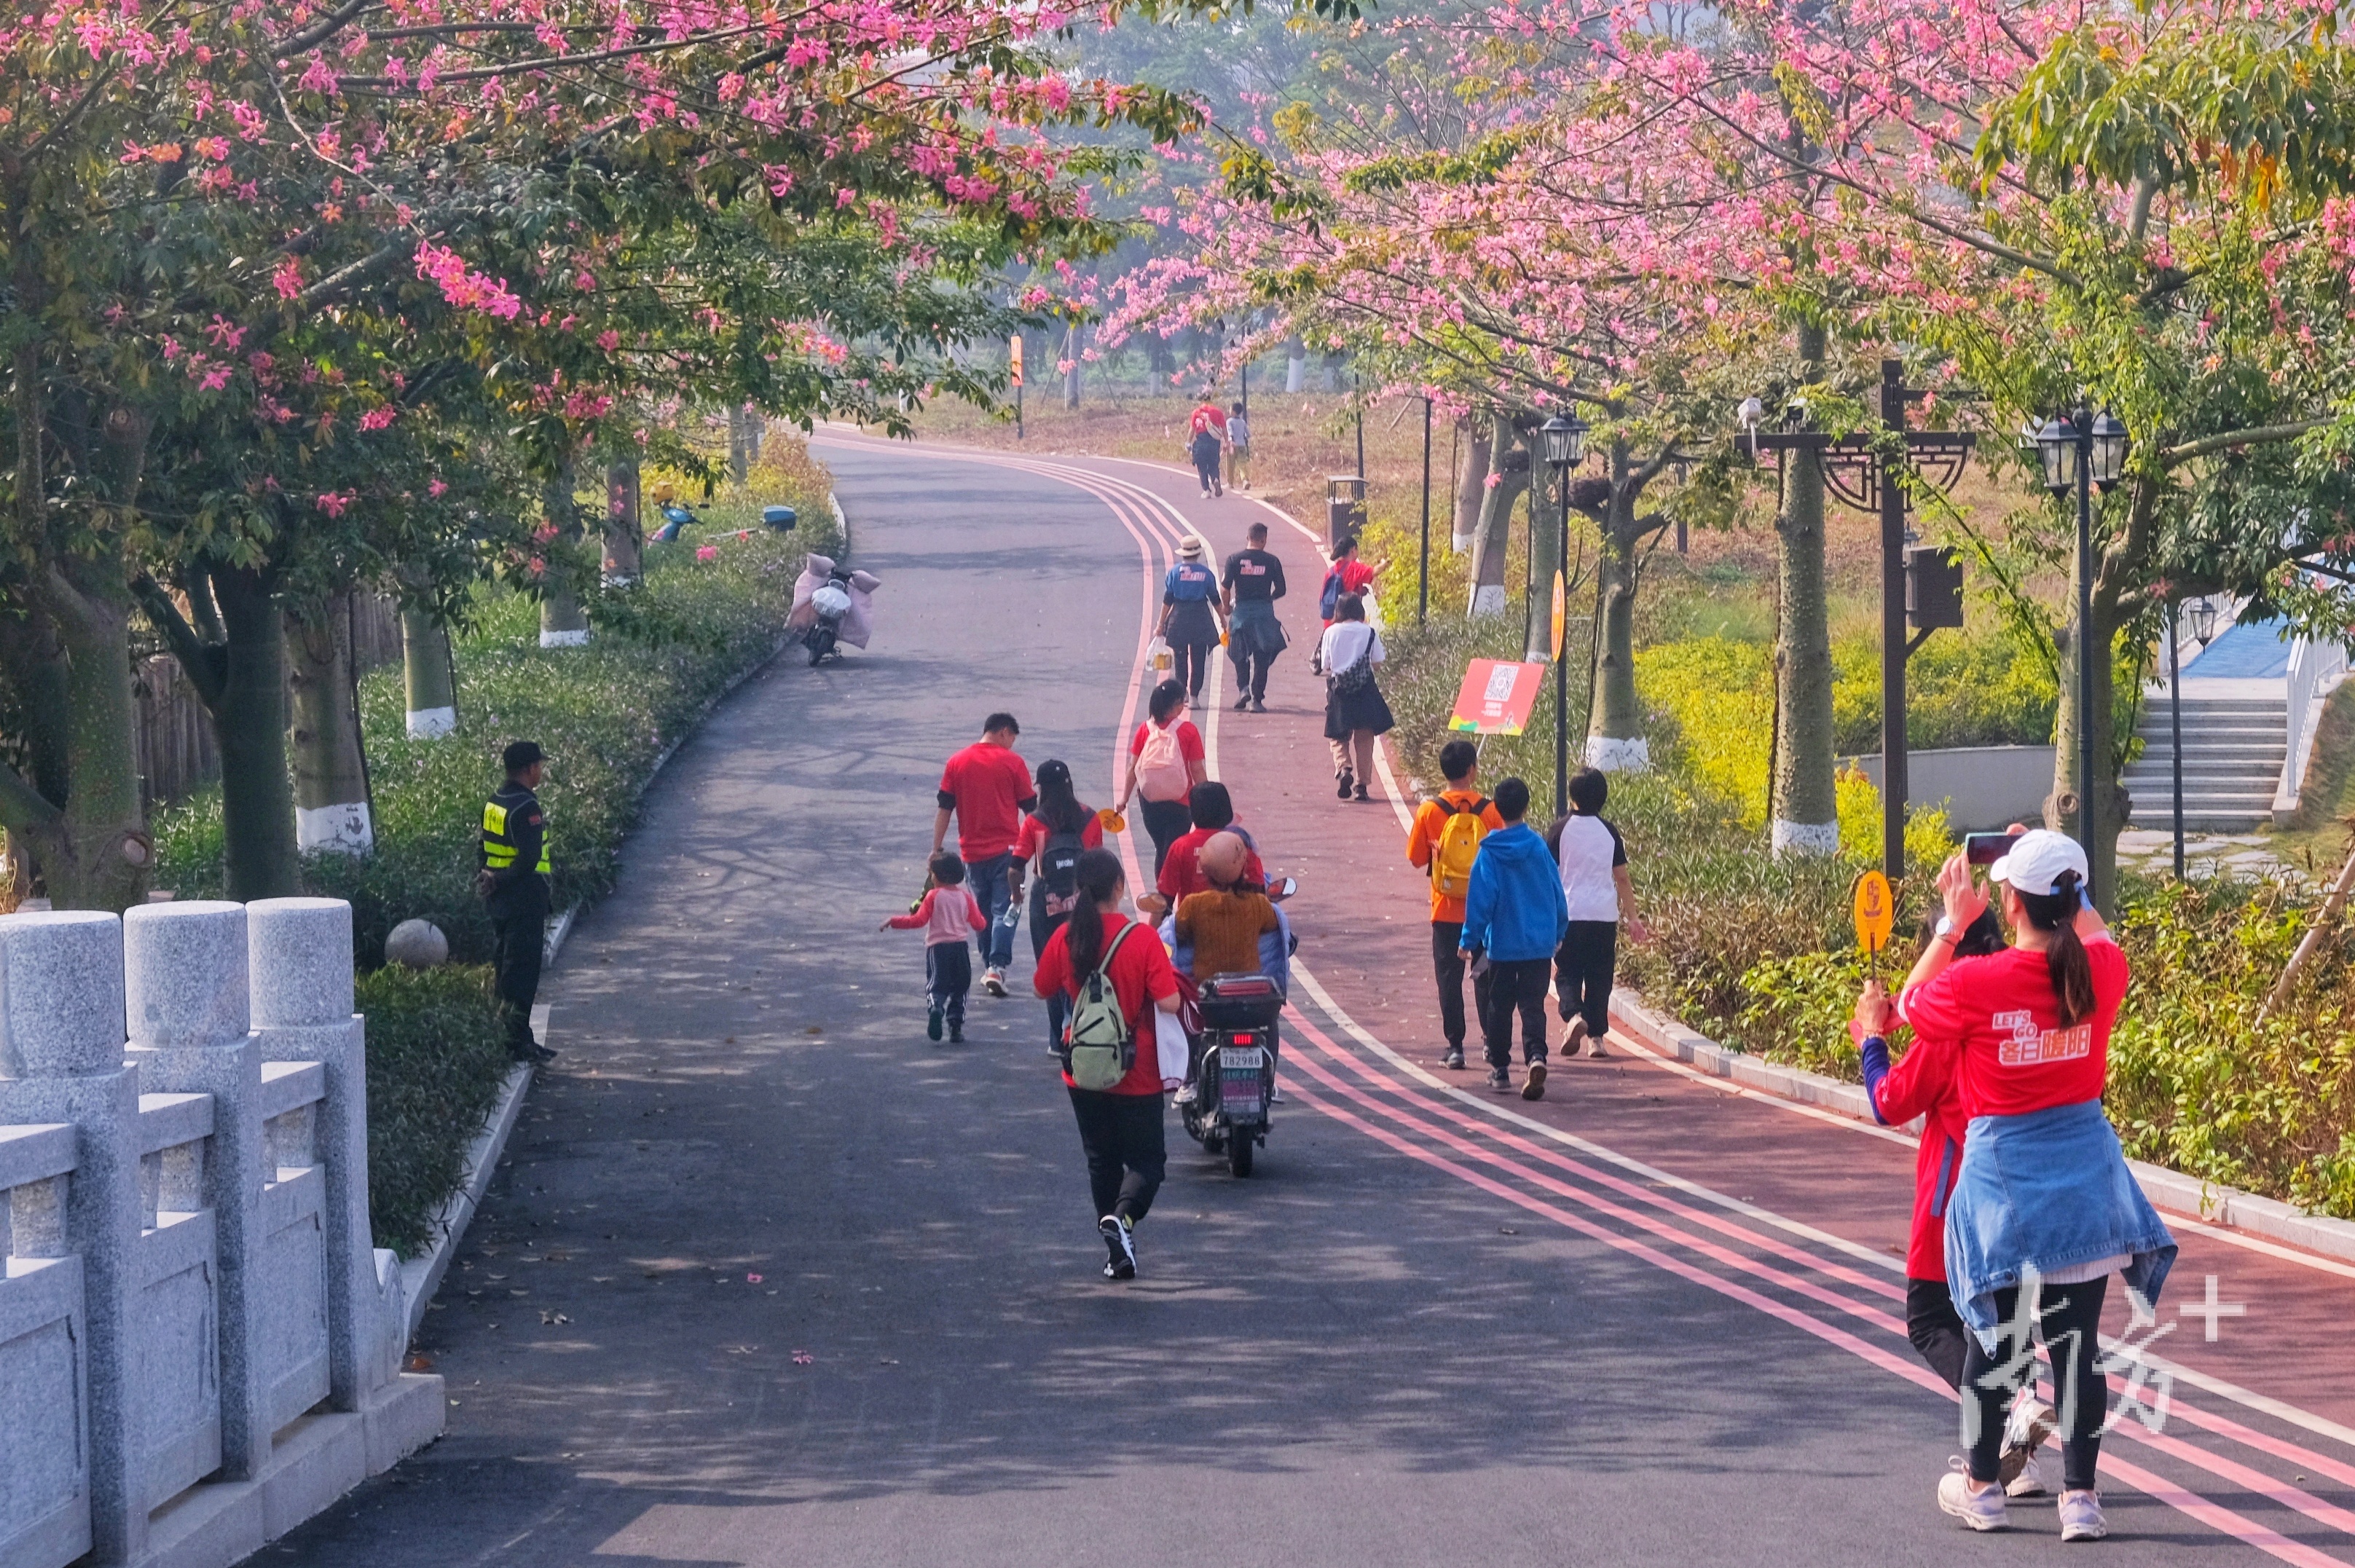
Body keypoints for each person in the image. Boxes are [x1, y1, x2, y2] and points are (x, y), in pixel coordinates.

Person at [1884, 830, 2177, 1542]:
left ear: (2008, 900)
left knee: (1994, 1340)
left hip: (2005, 1186)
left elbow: (1907, 1002)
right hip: (2084, 1180)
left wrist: (1951, 921)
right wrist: (2054, 861)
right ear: (2072, 898)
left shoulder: (1976, 981)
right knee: (2076, 1342)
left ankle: (1981, 1486)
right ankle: (2080, 1498)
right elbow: (2091, 926)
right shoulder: (2101, 970)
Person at [1851, 908, 2061, 1499]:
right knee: (2007, 1321)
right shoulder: (2028, 1007)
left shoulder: (1951, 1026)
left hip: (1957, 1199)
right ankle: (2017, 1457)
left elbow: (1889, 1100)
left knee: (1931, 1320)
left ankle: (2016, 1405)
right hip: (2029, 1190)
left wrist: (1871, 1038)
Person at [1032, 848, 1184, 1281]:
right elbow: (1171, 1002)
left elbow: (1042, 989)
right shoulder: (1141, 939)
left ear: (1080, 889)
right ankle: (1125, 1221)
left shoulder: (1066, 937)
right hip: (1136, 1068)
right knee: (1147, 1162)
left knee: (1101, 1160)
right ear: (1119, 887)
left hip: (1081, 1066)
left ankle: (1116, 1250)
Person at [1457, 777, 1568, 1099]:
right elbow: (1557, 895)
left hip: (1502, 946)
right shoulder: (1538, 848)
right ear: (1526, 805)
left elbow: (1481, 901)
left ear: (1496, 809)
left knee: (1499, 1007)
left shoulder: (1489, 854)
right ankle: (1536, 1056)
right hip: (1538, 945)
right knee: (1533, 1005)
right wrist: (1559, 932)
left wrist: (1468, 940)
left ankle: (1500, 1068)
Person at [1407, 739, 1506, 1070]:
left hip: (1445, 908)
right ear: (1472, 771)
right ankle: (1492, 1044)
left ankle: (1455, 1047)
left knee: (1449, 977)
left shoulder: (1429, 810)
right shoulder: (1490, 810)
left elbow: (1416, 859)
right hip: (1484, 911)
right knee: (1485, 977)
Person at [933, 713, 1037, 998]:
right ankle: (997, 966)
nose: (1011, 746)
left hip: (971, 853)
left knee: (981, 911)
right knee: (1008, 908)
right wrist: (1039, 852)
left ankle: (988, 964)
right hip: (1009, 853)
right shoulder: (1013, 763)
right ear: (1004, 732)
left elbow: (945, 807)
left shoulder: (957, 762)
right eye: (1012, 739)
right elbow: (1031, 811)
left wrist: (936, 848)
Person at [1008, 759, 1104, 1055]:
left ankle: (1057, 1039)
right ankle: (1080, 1027)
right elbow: (1098, 860)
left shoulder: (1036, 821)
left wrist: (1016, 896)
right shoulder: (1090, 817)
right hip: (1084, 901)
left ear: (1042, 788)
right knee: (1083, 962)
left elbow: (1015, 869)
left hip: (1046, 900)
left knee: (1051, 965)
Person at [1552, 767, 1647, 1059]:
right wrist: (1633, 917)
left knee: (1567, 973)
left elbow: (1548, 876)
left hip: (1569, 914)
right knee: (1599, 977)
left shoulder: (1559, 830)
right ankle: (1597, 1040)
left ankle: (1574, 1016)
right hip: (1604, 917)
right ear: (1603, 797)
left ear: (1573, 796)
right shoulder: (1610, 832)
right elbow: (1622, 878)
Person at [479, 740, 557, 1064]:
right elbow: (528, 859)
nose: (541, 771)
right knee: (522, 972)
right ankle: (518, 1041)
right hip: (523, 898)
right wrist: (501, 879)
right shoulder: (527, 807)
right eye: (539, 765)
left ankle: (511, 1035)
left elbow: (482, 848)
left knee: (505, 968)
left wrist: (485, 878)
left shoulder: (495, 802)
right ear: (529, 769)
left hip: (499, 901)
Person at [881, 851, 986, 1042]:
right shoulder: (965, 897)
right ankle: (955, 1026)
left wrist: (894, 921)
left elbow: (918, 921)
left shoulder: (933, 896)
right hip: (960, 948)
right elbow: (979, 924)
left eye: (931, 874)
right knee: (960, 988)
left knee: (936, 985)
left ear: (937, 876)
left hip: (938, 949)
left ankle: (936, 1007)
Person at [1114, 679, 1207, 873]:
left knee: (1162, 849)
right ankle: (1166, 898)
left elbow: (1133, 767)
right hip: (1181, 802)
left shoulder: (1144, 730)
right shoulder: (1189, 731)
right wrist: (1206, 799)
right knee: (1171, 851)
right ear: (1175, 705)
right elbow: (1196, 769)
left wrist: (1124, 799)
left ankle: (1162, 899)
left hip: (1150, 802)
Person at [1318, 594, 1393, 803]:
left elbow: (1327, 665)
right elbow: (1377, 663)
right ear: (1359, 609)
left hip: (1339, 691)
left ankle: (1344, 768)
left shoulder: (1330, 632)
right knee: (1365, 738)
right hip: (1365, 690)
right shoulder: (1369, 632)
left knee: (1337, 735)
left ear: (1339, 611)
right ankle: (1361, 786)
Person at [1175, 832, 1281, 980]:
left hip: (1205, 987)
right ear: (1243, 866)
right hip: (1249, 986)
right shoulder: (1259, 904)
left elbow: (1179, 933)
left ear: (1205, 871)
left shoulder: (1193, 905)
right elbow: (1273, 927)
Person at [1152, 781, 1268, 910]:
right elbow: (1259, 892)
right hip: (1239, 924)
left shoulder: (1181, 846)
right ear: (1227, 810)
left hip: (1191, 924)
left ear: (1193, 812)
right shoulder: (1241, 844)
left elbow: (1164, 900)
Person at [1221, 522, 1289, 712]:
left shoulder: (1234, 560)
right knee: (1262, 657)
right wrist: (1269, 598)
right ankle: (1257, 700)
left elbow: (1225, 588)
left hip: (1241, 613)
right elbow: (1282, 589)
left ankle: (1243, 689)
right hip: (1264, 614)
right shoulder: (1272, 561)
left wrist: (1227, 607)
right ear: (1264, 540)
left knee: (1239, 654)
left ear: (1247, 538)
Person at [1157, 537, 1224, 704]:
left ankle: (1182, 693)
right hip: (1200, 616)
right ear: (1198, 553)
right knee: (1198, 658)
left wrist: (1160, 623)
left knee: (1180, 658)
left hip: (1179, 616)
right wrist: (1223, 620)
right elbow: (1215, 599)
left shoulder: (1174, 572)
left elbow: (1168, 600)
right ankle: (1194, 695)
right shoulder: (1206, 574)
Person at [1317, 534, 1377, 635]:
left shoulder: (1331, 572)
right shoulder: (1353, 568)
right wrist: (1386, 563)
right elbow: (1374, 571)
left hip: (1330, 625)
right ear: (1353, 550)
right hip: (1349, 626)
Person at [1187, 401, 1227, 498]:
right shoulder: (1218, 412)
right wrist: (1226, 441)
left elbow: (1192, 430)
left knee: (1202, 467)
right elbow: (1224, 429)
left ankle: (1206, 490)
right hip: (1214, 442)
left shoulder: (1196, 413)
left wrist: (1188, 442)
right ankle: (1215, 479)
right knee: (1213, 464)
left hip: (1201, 442)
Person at [1227, 401, 1252, 492]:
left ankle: (1230, 483)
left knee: (1231, 464)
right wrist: (1243, 437)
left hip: (1233, 445)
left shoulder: (1229, 421)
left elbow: (1230, 432)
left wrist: (1231, 440)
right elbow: (1248, 434)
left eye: (1230, 409)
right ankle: (1245, 480)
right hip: (1242, 445)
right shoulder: (1242, 422)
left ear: (1233, 411)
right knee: (1242, 464)